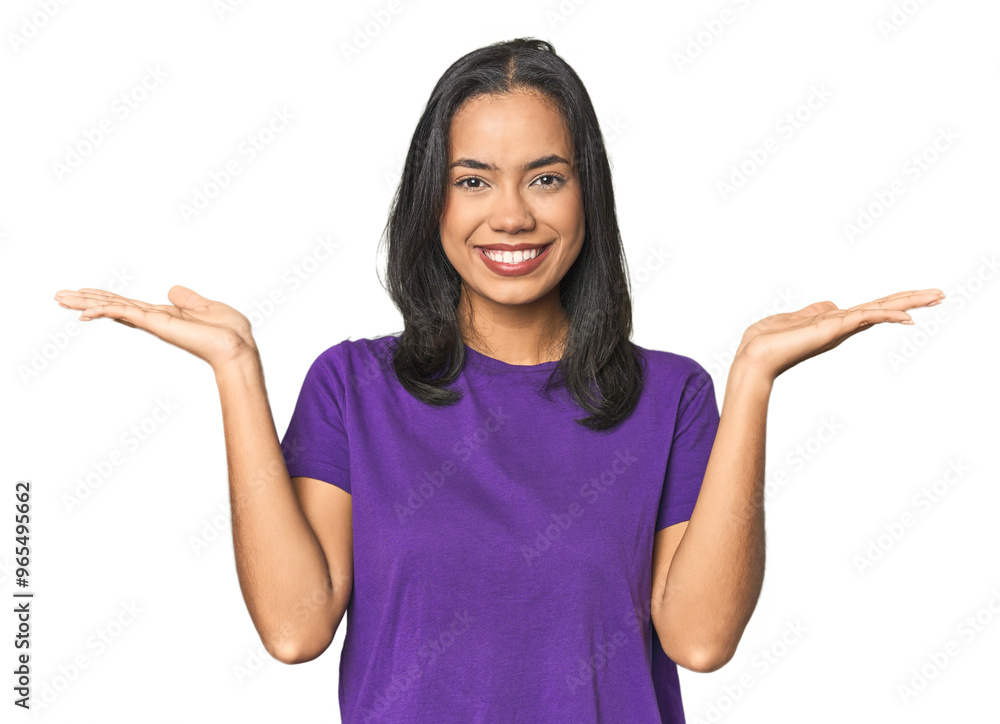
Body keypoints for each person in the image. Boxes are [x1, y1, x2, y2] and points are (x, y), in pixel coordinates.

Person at [53, 37, 944, 724]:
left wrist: (752, 378)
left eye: (545, 178)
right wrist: (237, 370)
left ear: (585, 193)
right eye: (472, 179)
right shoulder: (352, 388)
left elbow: (700, 641)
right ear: (431, 200)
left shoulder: (671, 397)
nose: (510, 214)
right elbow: (295, 629)